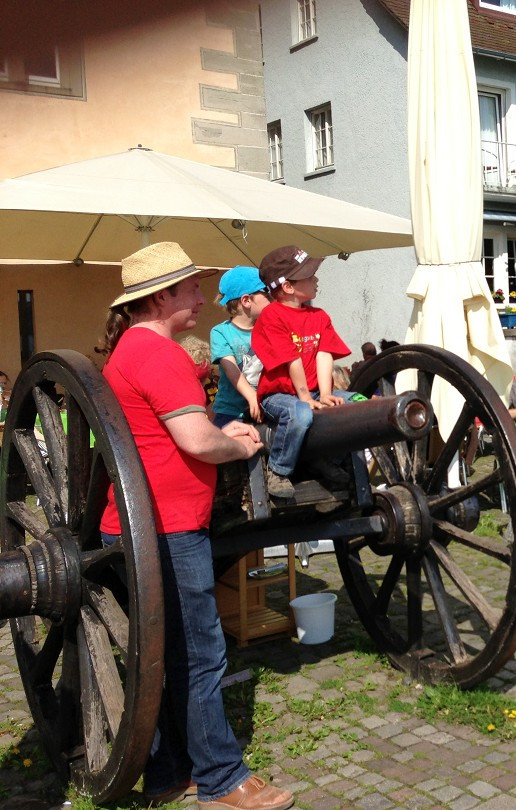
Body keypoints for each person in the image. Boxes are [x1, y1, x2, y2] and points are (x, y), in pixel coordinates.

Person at [97, 242, 292, 810]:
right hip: (168, 526)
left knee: (162, 651)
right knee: (201, 652)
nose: (202, 298)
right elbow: (195, 440)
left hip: (140, 524)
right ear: (161, 298)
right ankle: (221, 778)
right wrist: (237, 443)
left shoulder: (127, 352)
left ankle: (166, 773)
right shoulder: (159, 356)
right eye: (190, 289)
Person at [252, 245, 352, 499]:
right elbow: (291, 360)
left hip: (314, 391)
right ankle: (279, 469)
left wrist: (327, 394)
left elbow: (324, 353)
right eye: (309, 275)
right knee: (300, 413)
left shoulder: (319, 316)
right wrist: (306, 397)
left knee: (353, 406)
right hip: (279, 394)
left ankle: (325, 458)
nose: (316, 279)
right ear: (288, 287)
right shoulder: (272, 316)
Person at [210, 265, 272, 428]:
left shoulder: (271, 328)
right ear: (246, 300)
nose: (271, 298)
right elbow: (232, 371)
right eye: (266, 293)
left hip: (267, 406)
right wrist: (252, 397)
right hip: (232, 413)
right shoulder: (221, 332)